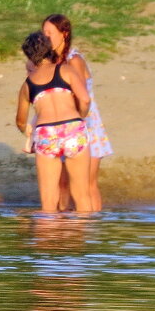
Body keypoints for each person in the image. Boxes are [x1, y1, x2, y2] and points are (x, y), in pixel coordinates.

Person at [15, 31, 93, 213]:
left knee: (48, 201)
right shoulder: (65, 70)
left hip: (46, 133)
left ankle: (49, 240)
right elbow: (86, 99)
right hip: (73, 127)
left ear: (29, 55)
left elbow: (20, 120)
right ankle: (83, 239)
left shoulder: (28, 84)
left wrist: (26, 131)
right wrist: (79, 116)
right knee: (82, 195)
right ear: (50, 49)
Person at [41, 14, 111, 211]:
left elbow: (81, 96)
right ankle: (64, 230)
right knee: (62, 184)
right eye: (43, 33)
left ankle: (90, 227)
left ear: (64, 33)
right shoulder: (49, 61)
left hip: (85, 122)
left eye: (50, 33)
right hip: (62, 124)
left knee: (87, 183)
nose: (45, 37)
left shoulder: (74, 59)